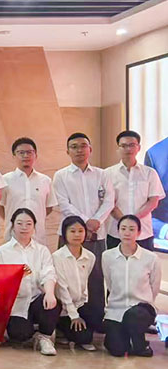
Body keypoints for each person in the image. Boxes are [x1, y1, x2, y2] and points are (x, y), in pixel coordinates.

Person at [52, 132, 114, 321]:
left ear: (90, 149)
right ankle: (66, 318)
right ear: (67, 151)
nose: (79, 150)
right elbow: (63, 204)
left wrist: (96, 221)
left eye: (83, 146)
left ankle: (95, 317)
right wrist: (86, 223)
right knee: (66, 276)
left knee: (95, 276)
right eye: (74, 147)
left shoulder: (102, 174)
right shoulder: (61, 176)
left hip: (97, 233)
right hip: (70, 234)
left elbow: (109, 201)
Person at [0, 208, 60, 356]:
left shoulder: (42, 250)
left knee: (52, 303)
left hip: (35, 299)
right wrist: (16, 277)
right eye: (19, 223)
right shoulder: (1, 252)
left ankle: (44, 337)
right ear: (12, 225)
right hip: (15, 304)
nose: (24, 227)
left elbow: (48, 273)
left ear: (34, 226)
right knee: (20, 334)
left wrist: (50, 293)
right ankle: (25, 331)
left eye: (28, 224)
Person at [102, 215, 162, 357]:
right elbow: (109, 284)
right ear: (118, 231)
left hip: (141, 309)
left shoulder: (151, 258)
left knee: (133, 316)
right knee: (116, 350)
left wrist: (145, 301)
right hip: (116, 310)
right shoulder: (107, 256)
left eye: (131, 229)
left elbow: (154, 286)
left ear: (139, 232)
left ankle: (140, 344)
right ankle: (126, 338)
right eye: (123, 229)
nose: (127, 233)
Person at [106, 130, 165, 251]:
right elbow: (108, 202)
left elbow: (153, 201)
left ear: (139, 148)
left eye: (132, 145)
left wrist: (133, 221)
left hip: (143, 232)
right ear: (118, 149)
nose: (128, 149)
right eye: (124, 146)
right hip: (116, 232)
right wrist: (124, 223)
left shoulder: (150, 173)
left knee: (145, 262)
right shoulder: (107, 174)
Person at [52, 216, 101, 351]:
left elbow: (85, 282)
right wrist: (74, 315)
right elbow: (62, 288)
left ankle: (77, 334)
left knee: (97, 315)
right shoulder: (57, 256)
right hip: (64, 307)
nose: (77, 235)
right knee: (81, 336)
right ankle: (63, 329)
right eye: (72, 231)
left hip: (80, 304)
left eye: (80, 231)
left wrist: (83, 308)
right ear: (65, 233)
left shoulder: (90, 256)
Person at [0, 137, 56, 247]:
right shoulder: (5, 180)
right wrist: (12, 218)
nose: (25, 156)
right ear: (13, 156)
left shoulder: (45, 180)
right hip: (12, 236)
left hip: (38, 236)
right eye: (21, 153)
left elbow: (49, 207)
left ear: (36, 155)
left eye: (29, 152)